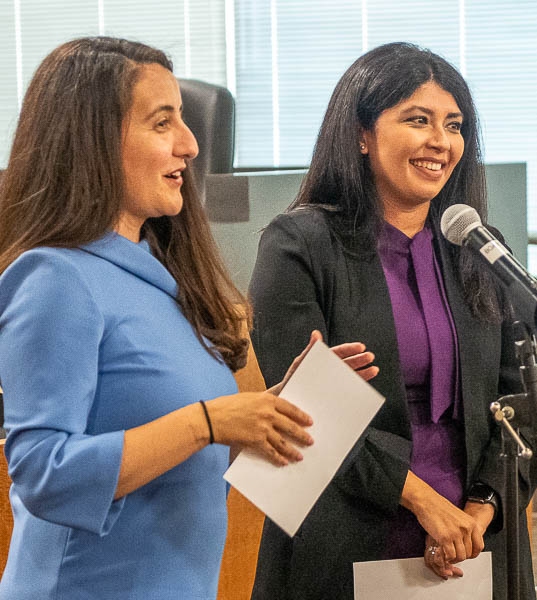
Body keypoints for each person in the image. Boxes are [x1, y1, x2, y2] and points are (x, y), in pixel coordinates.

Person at [0, 37, 377, 600]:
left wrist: (269, 414)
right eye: (162, 123)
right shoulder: (55, 278)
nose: (191, 144)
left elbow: (176, 450)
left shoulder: (156, 275)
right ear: (93, 139)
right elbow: (44, 473)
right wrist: (208, 420)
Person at [249, 42, 537, 600]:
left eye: (454, 125)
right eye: (418, 120)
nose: (441, 141)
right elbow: (301, 417)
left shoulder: (479, 248)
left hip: (475, 539)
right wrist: (425, 504)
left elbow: (524, 407)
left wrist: (478, 514)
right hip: (349, 528)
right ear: (361, 133)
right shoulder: (298, 245)